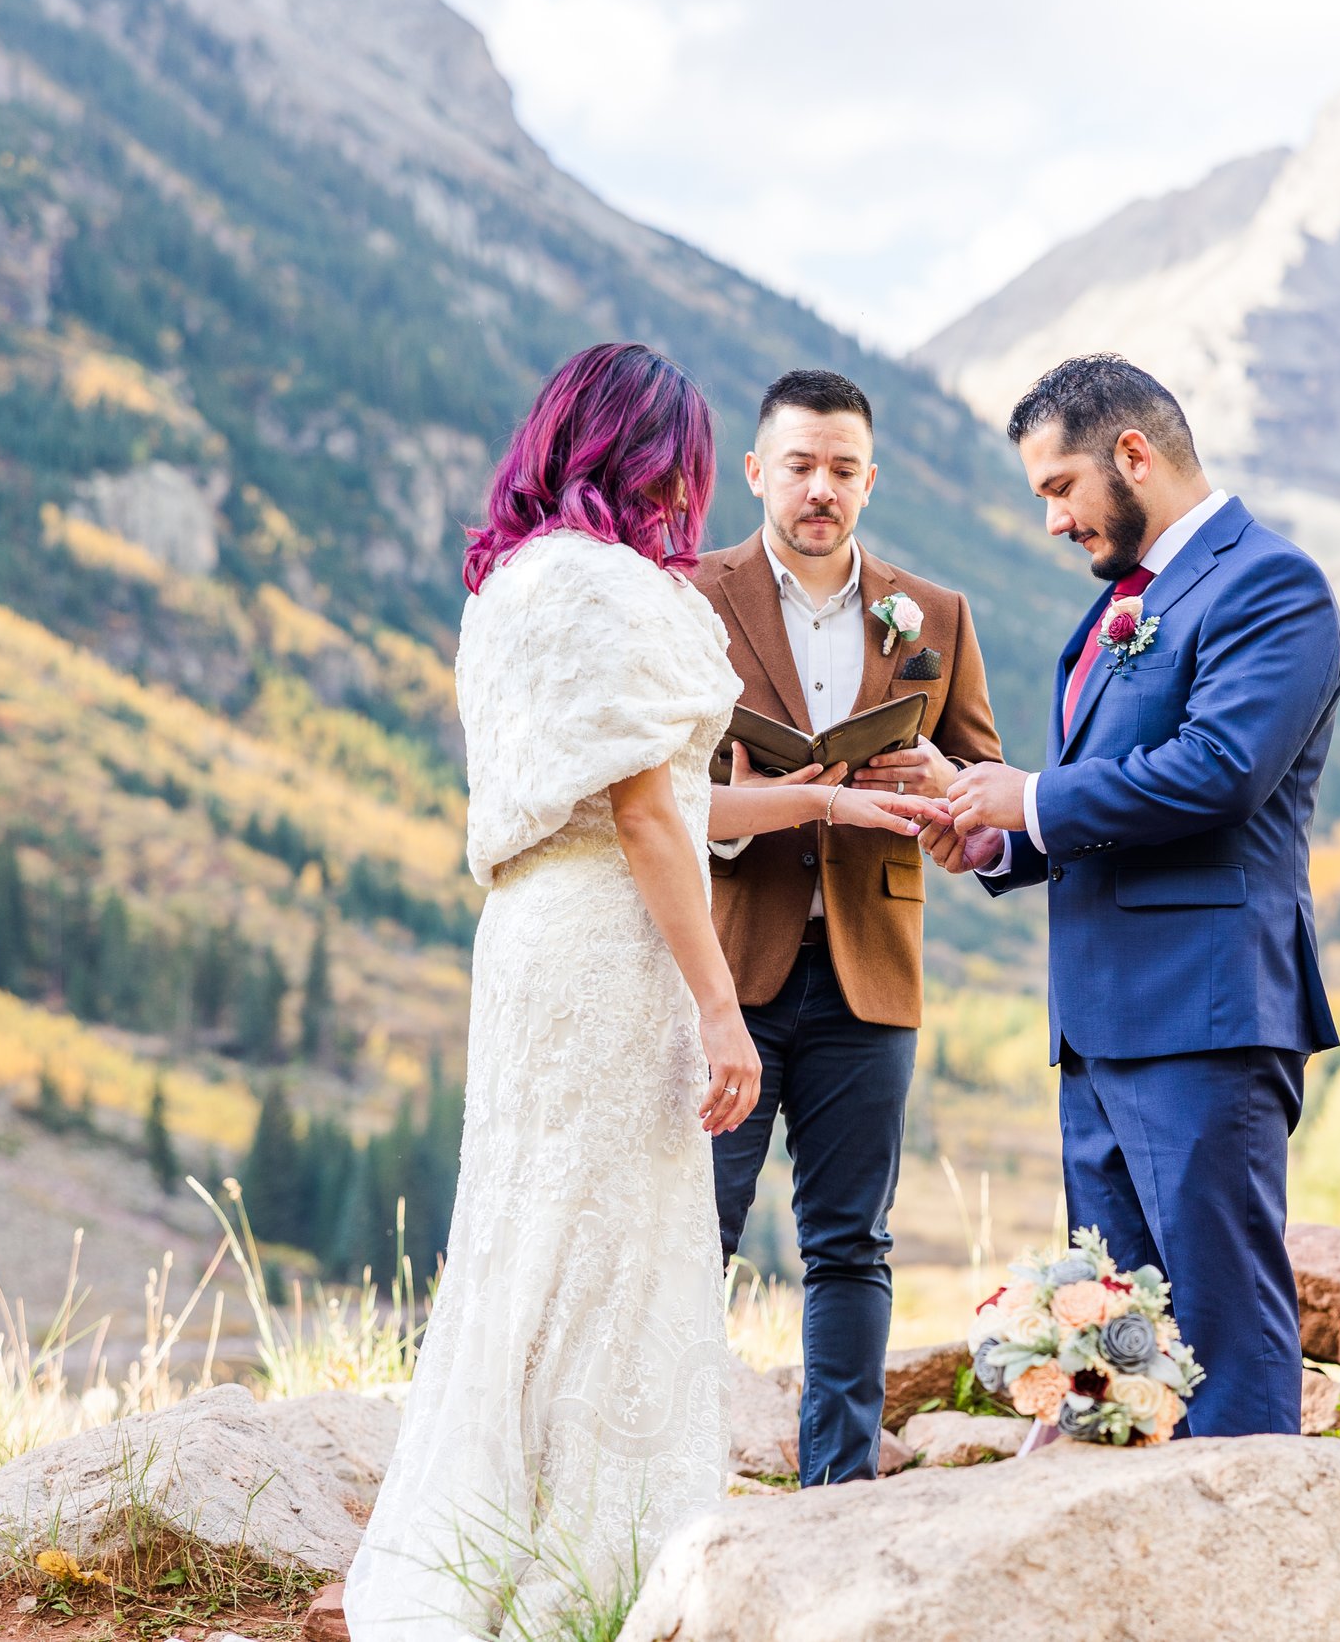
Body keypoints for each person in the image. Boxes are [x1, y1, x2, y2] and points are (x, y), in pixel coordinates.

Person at [346, 344, 930, 1639]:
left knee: (532, 1223)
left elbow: (662, 796)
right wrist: (721, 1007)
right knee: (617, 1239)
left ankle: (494, 1546)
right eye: (687, 463)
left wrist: (826, 795)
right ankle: (592, 1562)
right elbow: (653, 822)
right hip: (616, 944)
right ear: (649, 454)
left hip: (533, 935)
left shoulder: (511, 583)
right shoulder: (614, 588)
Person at [922, 353, 1340, 1439]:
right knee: (1119, 1334)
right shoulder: (1119, 608)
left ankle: (1265, 1571)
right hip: (1101, 1025)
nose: (1054, 520)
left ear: (1133, 454)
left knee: (1217, 1317)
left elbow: (1219, 771)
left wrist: (1032, 798)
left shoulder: (1269, 582)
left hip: (1202, 1017)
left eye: (1059, 488)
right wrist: (996, 839)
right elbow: (1100, 802)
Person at [693, 368, 1002, 1486]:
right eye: (798, 465)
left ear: (869, 479)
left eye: (840, 469)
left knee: (850, 1243)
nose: (819, 487)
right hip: (727, 968)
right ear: (755, 472)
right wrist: (735, 806)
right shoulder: (693, 596)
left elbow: (984, 783)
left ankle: (837, 1492)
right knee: (695, 1236)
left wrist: (946, 784)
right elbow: (644, 804)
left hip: (871, 972)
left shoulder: (937, 613)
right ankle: (674, 1479)